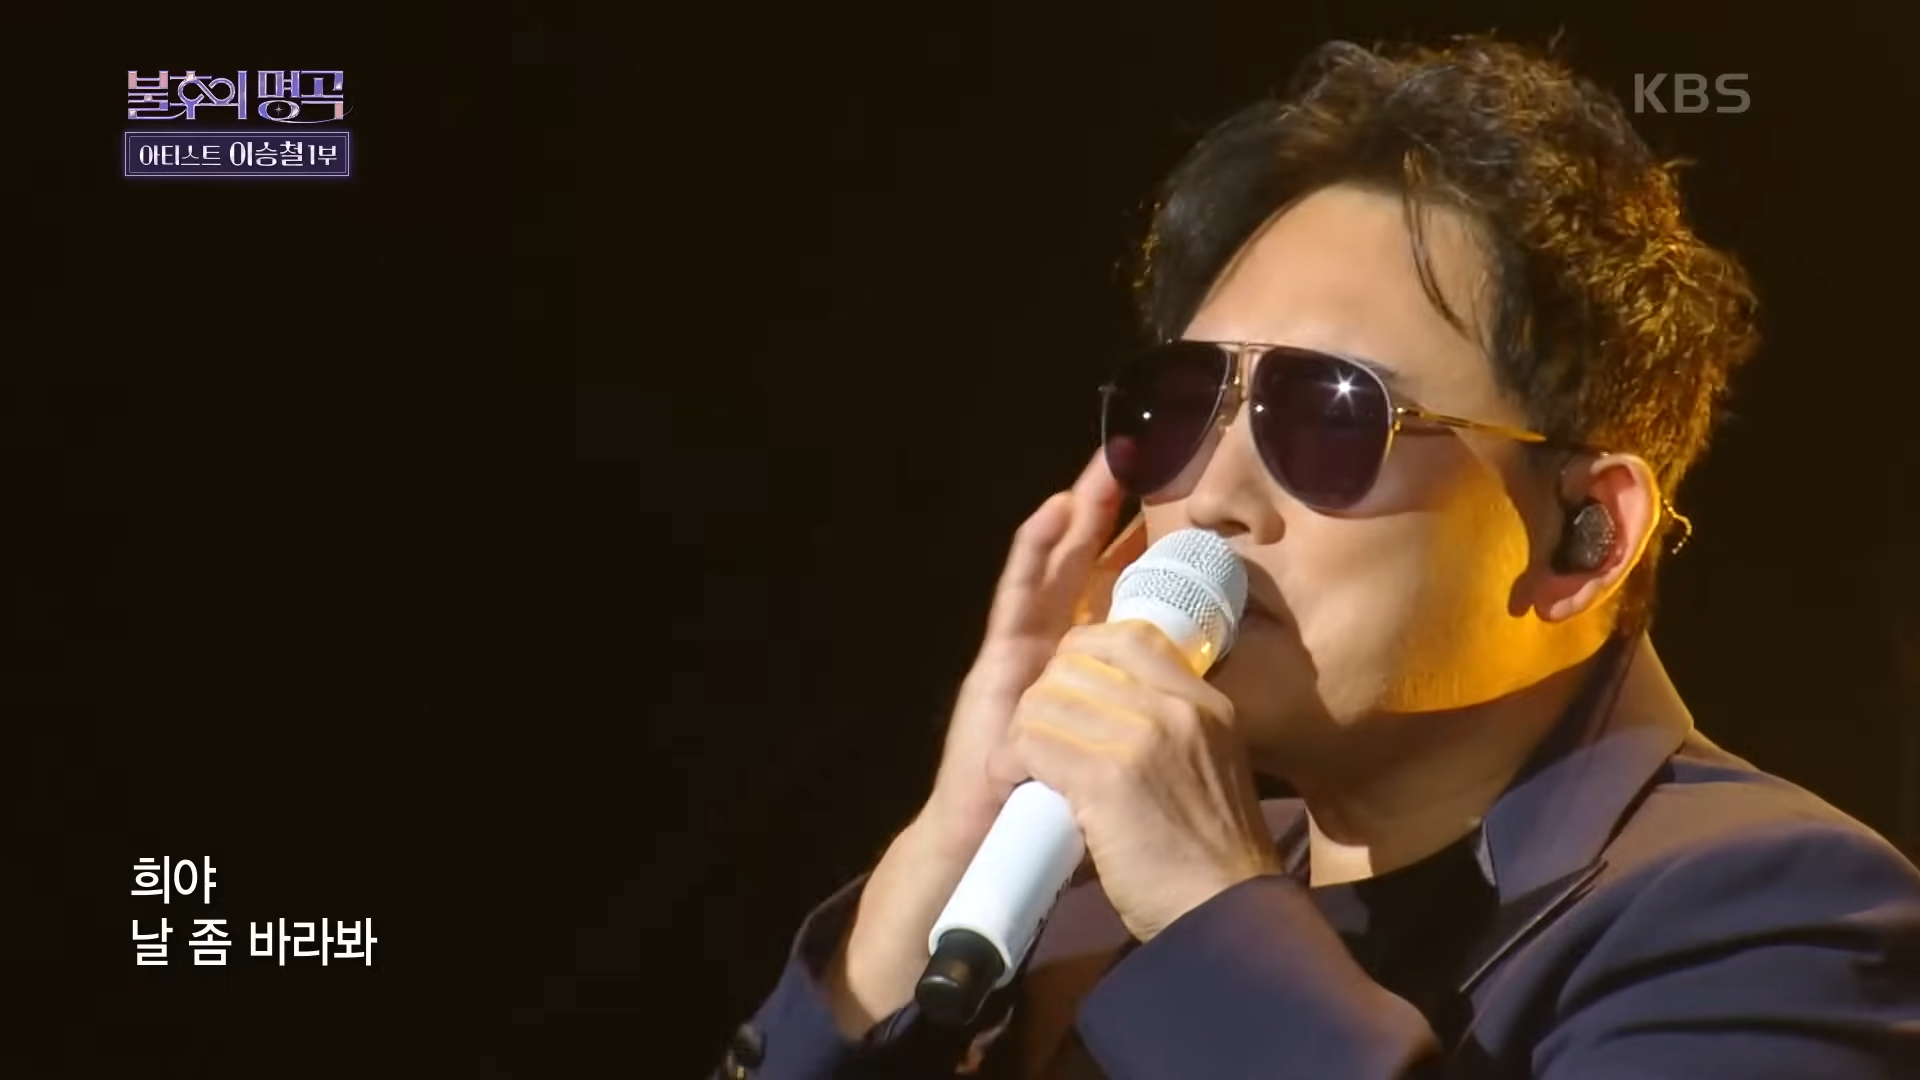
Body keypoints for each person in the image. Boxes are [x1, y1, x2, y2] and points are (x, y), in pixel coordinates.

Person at [711, 37, 1920, 1080]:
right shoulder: (1080, 908)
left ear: (1582, 537)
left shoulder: (1771, 915)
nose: (1212, 498)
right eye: (1186, 407)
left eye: (1331, 417)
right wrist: (959, 830)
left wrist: (1208, 910)